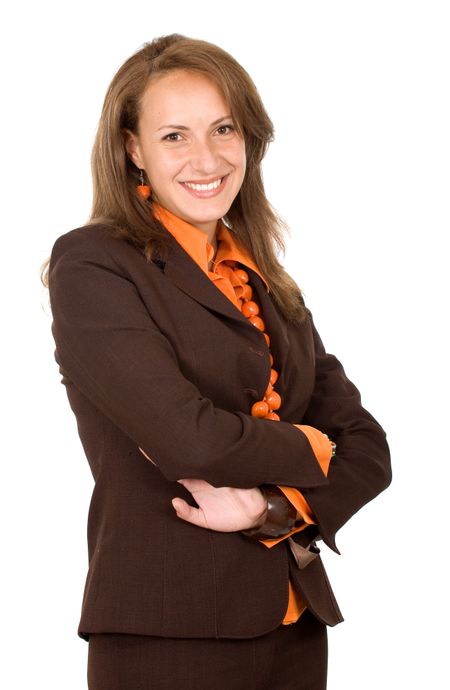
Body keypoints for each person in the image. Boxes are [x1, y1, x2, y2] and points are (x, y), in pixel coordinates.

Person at [44, 34, 391, 690]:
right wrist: (313, 447)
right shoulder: (95, 265)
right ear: (132, 148)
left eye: (223, 129)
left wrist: (269, 508)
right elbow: (189, 439)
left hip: (295, 623)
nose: (207, 159)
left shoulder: (263, 276)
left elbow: (370, 448)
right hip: (170, 632)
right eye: (174, 135)